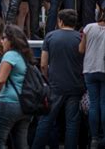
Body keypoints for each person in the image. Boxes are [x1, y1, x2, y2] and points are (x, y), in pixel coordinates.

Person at [32, 9, 84, 149]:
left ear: (60, 21)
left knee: (46, 120)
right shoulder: (80, 38)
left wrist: (47, 78)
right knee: (72, 122)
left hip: (55, 85)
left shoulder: (50, 36)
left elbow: (43, 64)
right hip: (76, 85)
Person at [79, 1, 105, 148]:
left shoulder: (89, 28)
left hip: (89, 69)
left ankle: (94, 138)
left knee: (94, 104)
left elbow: (81, 50)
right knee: (104, 103)